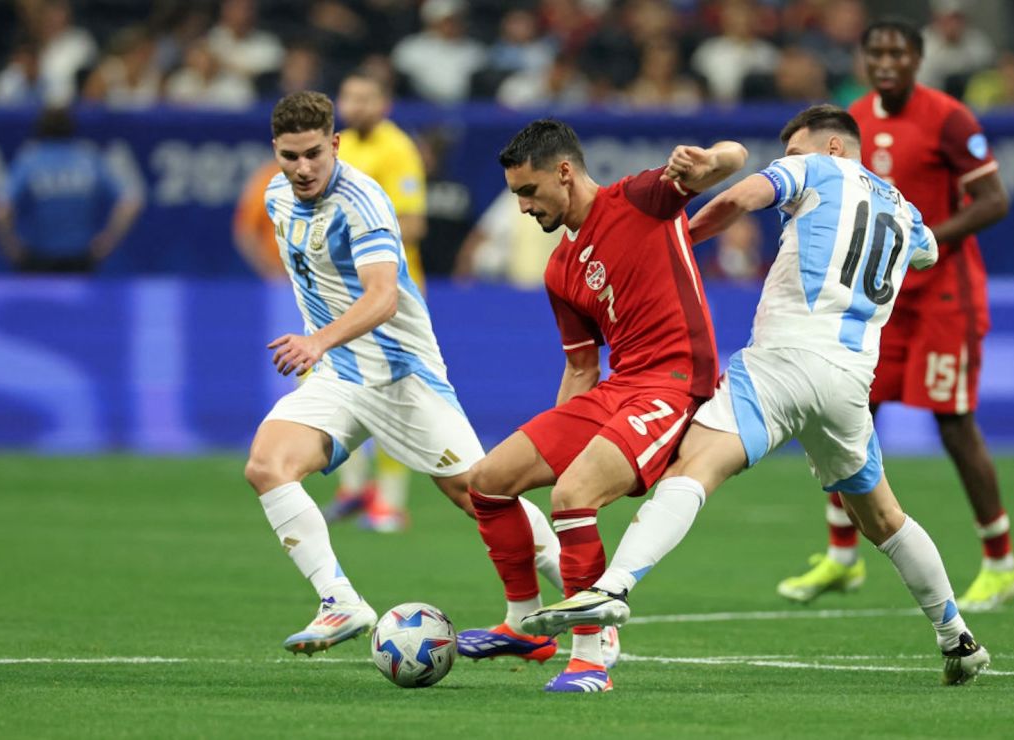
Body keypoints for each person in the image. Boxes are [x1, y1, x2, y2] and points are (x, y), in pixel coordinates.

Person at [522, 104, 992, 688]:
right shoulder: (907, 210)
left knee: (692, 469)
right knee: (883, 516)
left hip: (782, 360)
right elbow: (925, 252)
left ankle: (612, 586)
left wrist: (677, 242)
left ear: (834, 149)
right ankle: (957, 637)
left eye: (795, 151)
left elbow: (742, 196)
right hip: (849, 379)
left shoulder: (817, 170)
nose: (788, 162)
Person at [244, 91, 563, 656]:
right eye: (290, 156)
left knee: (481, 496)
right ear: (276, 151)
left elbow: (384, 297)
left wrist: (315, 340)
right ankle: (339, 601)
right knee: (268, 465)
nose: (303, 168)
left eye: (314, 153)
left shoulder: (362, 201)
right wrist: (324, 347)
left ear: (335, 144)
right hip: (341, 375)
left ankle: (587, 601)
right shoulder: (276, 195)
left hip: (400, 377)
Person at [454, 118, 747, 692]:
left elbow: (735, 159)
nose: (522, 207)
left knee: (573, 496)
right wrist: (568, 442)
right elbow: (582, 368)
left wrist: (709, 156)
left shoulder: (642, 198)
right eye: (517, 195)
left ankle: (591, 655)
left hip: (675, 384)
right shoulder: (560, 269)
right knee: (486, 481)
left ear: (564, 172)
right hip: (617, 389)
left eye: (529, 191)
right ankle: (525, 624)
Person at [776, 19, 1014, 613]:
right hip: (881, 300)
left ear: (918, 57)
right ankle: (840, 557)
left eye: (898, 52)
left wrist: (925, 239)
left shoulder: (950, 118)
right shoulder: (853, 118)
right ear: (862, 59)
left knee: (953, 422)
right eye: (875, 51)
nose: (886, 61)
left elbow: (994, 200)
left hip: (944, 297)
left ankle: (1000, 560)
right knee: (847, 414)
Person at [324, 68, 429, 532]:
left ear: (384, 104)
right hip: (342, 291)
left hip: (392, 293)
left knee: (392, 392)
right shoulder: (337, 146)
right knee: (330, 385)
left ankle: (389, 502)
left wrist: (350, 240)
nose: (356, 105)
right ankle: (352, 490)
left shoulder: (398, 149)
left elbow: (412, 225)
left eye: (366, 97)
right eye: (349, 95)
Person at [0, 106, 141, 272]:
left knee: (40, 299)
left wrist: (11, 248)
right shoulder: (89, 158)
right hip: (81, 260)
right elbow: (129, 202)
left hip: (38, 262)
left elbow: (0, 210)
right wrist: (108, 241)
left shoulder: (30, 160)